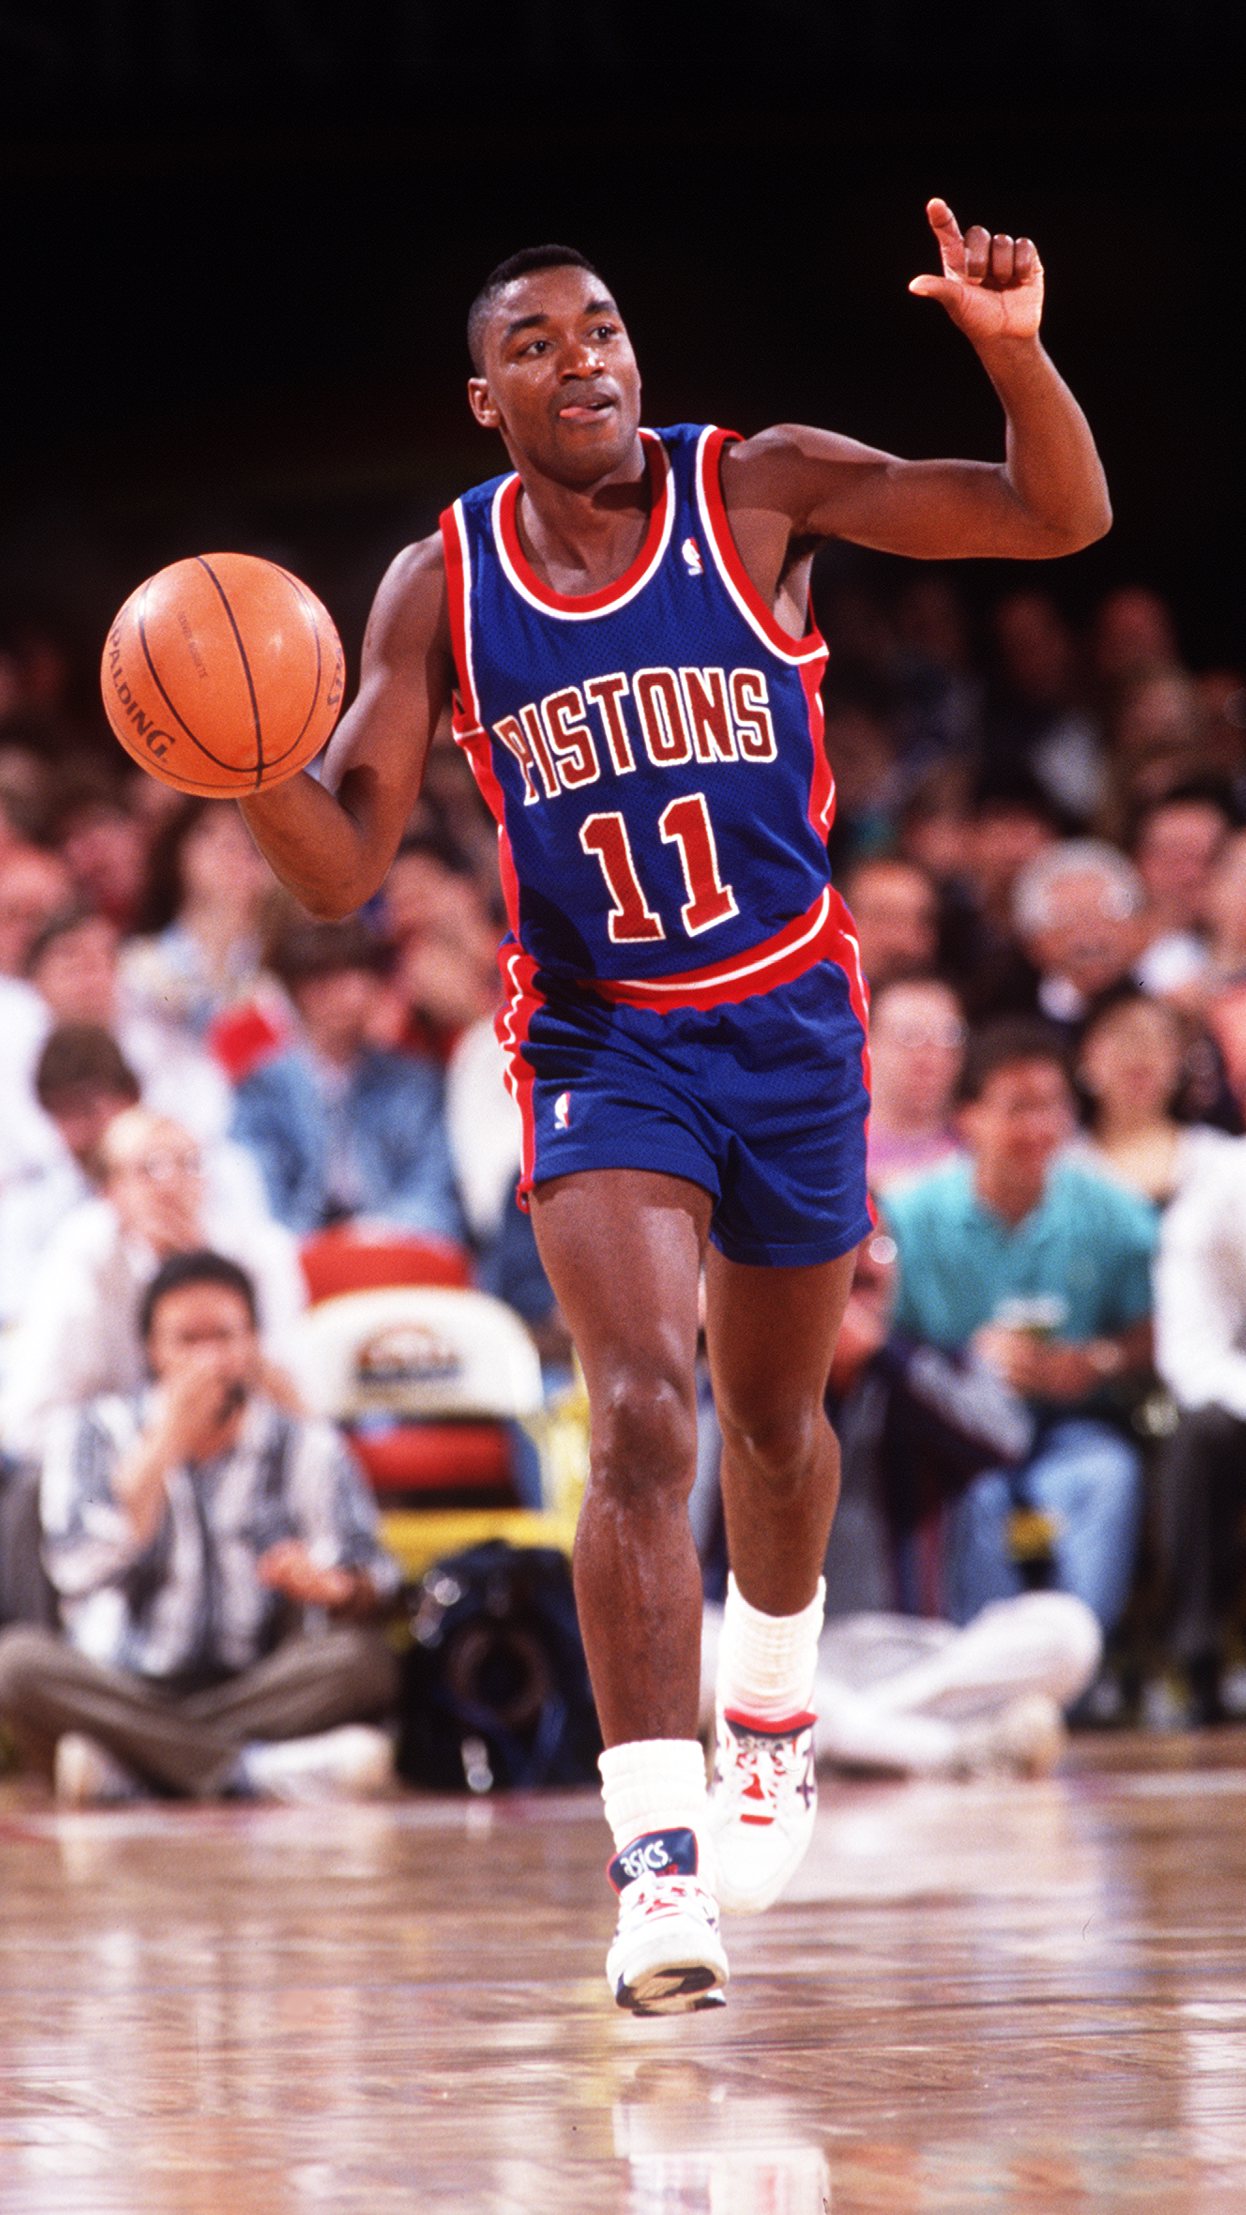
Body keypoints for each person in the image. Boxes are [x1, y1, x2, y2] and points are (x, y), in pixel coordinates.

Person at [232, 204, 1111, 2014]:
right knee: (639, 1414)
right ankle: (653, 1865)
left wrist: (1013, 352)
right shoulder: (440, 583)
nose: (588, 359)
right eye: (539, 343)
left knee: (775, 1429)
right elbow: (339, 871)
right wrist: (241, 765)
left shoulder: (759, 488)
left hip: (788, 1021)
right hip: (601, 1039)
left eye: (606, 326)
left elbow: (1057, 519)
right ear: (485, 398)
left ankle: (770, 1701)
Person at [0, 1251, 400, 1805]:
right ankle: (254, 1770)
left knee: (364, 1662)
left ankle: (133, 1770)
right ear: (152, 1352)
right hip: (119, 1679)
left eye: (226, 1337)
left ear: (255, 1345)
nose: (210, 1359)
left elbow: (373, 1572)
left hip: (258, 1682)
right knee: (16, 1666)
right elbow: (74, 1566)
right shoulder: (91, 1432)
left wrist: (335, 1587)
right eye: (187, 1341)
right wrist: (163, 1444)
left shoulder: (305, 1444)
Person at [883, 1020, 1156, 1636]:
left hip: (1072, 1424)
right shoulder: (911, 1214)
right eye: (1017, 1108)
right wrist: (964, 1362)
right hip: (952, 1431)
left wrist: (1098, 1360)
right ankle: (976, 1665)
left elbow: (1156, 1330)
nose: (1038, 1128)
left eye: (1053, 1106)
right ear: (968, 1117)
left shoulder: (1115, 1211)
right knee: (974, 1498)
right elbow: (881, 1340)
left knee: (1107, 1476)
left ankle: (1077, 1666)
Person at [0, 1105, 305, 1462]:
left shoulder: (260, 1255)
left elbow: (300, 1409)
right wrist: (147, 1439)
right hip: (116, 1463)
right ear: (110, 1191)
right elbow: (30, 1424)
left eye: (191, 1164)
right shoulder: (80, 1260)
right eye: (151, 1168)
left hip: (239, 1456)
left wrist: (205, 1279)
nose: (173, 1183)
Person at [229, 918, 465, 1240]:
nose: (343, 996)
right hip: (297, 1256)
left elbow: (436, 1196)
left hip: (395, 1246)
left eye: (354, 978)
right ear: (295, 993)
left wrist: (374, 1235)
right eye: (320, 982)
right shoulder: (261, 1090)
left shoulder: (414, 1083)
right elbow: (256, 1202)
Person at [1152, 1139, 1246, 1720]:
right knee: (1199, 1438)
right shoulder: (1216, 1186)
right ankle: (1198, 1656)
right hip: (1234, 1389)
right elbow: (1189, 1353)